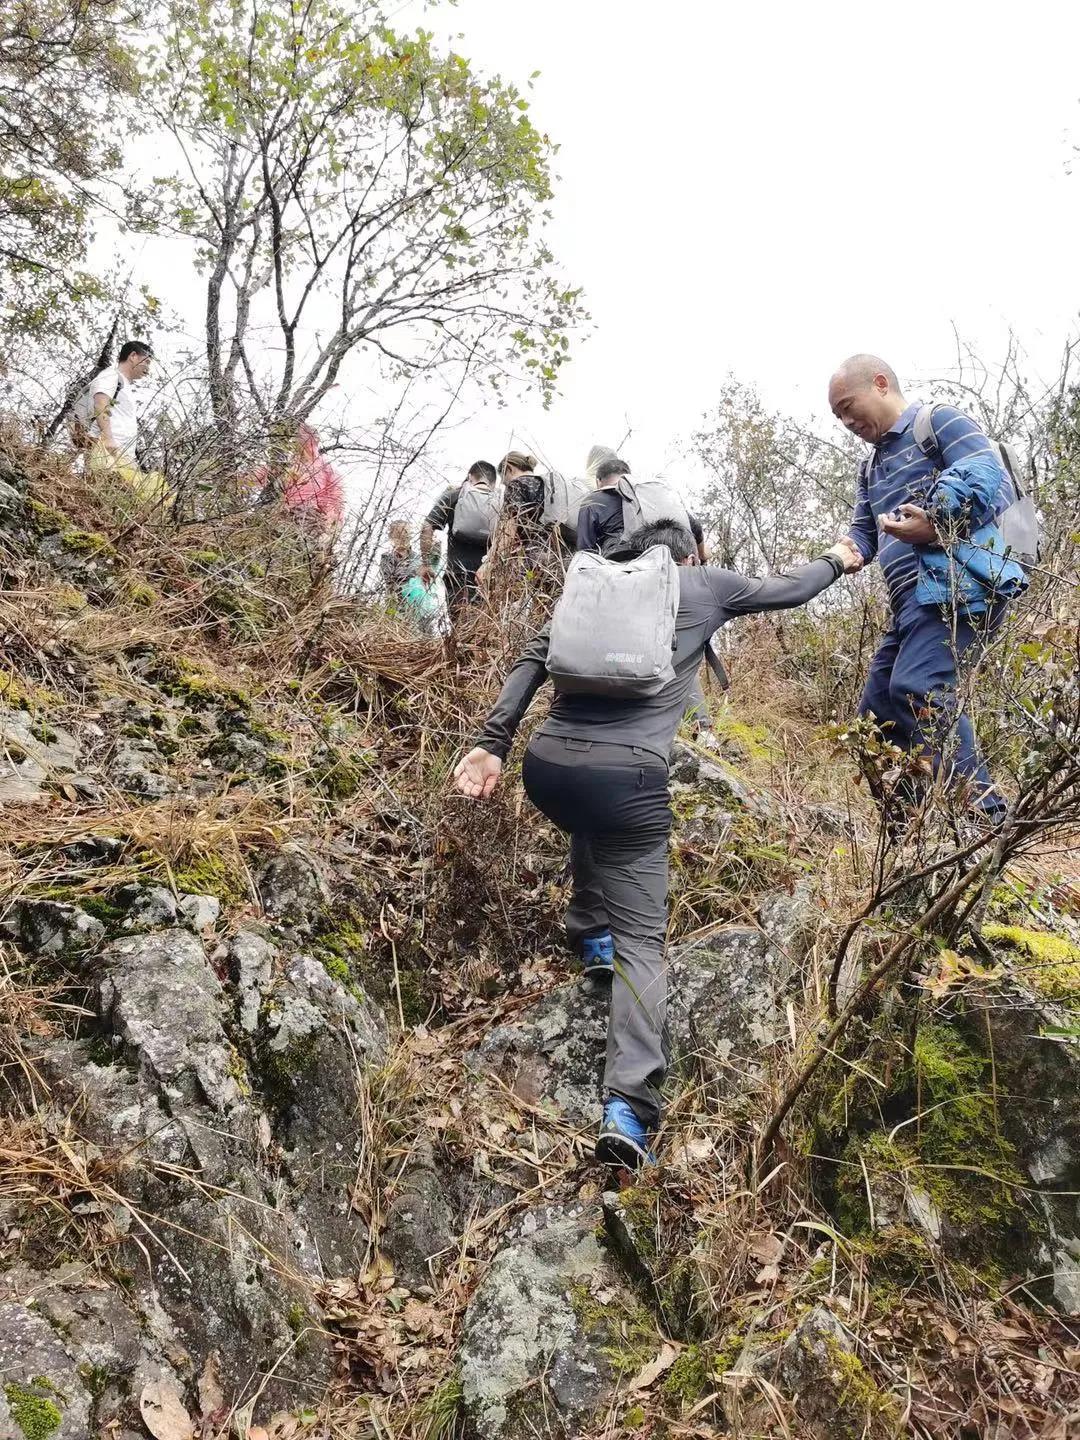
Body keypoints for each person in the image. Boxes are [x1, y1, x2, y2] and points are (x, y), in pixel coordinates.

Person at [454, 519, 862, 1167]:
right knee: (642, 944)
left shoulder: (588, 593)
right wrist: (838, 558)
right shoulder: (704, 586)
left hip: (547, 769)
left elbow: (532, 659)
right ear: (689, 553)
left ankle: (590, 933)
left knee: (592, 821)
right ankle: (629, 1109)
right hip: (629, 781)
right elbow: (789, 589)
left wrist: (491, 743)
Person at [828, 353, 1024, 825]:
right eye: (838, 416)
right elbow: (863, 532)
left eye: (849, 406)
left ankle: (986, 823)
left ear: (880, 384)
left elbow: (991, 482)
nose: (847, 420)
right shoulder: (870, 469)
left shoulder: (936, 421)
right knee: (875, 719)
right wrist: (835, 558)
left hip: (957, 589)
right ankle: (913, 835)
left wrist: (937, 522)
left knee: (920, 688)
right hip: (910, 605)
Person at [81, 341, 168, 507]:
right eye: (147, 361)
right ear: (133, 356)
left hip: (121, 454)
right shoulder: (111, 375)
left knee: (123, 501)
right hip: (108, 451)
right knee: (104, 498)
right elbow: (101, 401)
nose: (148, 368)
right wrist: (107, 437)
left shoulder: (124, 385)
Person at [576, 457, 709, 563]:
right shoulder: (650, 494)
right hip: (668, 558)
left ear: (598, 481)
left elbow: (586, 552)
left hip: (621, 564)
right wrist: (702, 556)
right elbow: (695, 527)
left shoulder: (592, 501)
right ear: (628, 477)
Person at [420, 461, 499, 619]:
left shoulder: (455, 495)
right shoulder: (501, 502)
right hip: (490, 577)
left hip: (457, 576)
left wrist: (426, 563)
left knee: (460, 626)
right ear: (493, 482)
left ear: (470, 477)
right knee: (486, 629)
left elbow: (427, 527)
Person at [379, 521, 438, 632]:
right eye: (399, 533)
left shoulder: (419, 558)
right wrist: (415, 572)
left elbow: (428, 576)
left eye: (406, 532)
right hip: (394, 607)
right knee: (392, 632)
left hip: (417, 608)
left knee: (422, 635)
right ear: (391, 536)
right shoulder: (386, 558)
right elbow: (390, 577)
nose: (403, 536)